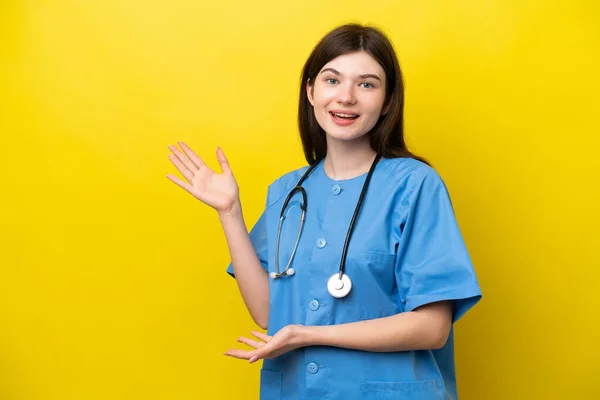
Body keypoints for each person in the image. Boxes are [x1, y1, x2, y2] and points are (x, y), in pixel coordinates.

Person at [167, 23, 481, 400]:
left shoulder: (414, 185)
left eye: (366, 84)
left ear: (387, 101)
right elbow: (270, 314)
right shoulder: (287, 191)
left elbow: (433, 327)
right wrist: (230, 212)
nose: (346, 97)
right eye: (332, 80)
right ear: (311, 91)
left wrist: (311, 334)